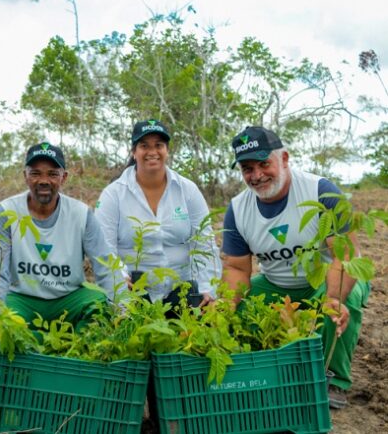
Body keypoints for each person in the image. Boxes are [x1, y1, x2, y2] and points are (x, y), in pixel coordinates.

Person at [221, 126, 369, 409]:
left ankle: (334, 378)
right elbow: (237, 269)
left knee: (336, 305)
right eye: (247, 168)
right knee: (240, 310)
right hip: (278, 284)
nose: (257, 175)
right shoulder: (238, 209)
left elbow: (346, 255)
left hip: (328, 279)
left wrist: (333, 297)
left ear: (284, 159)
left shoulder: (319, 191)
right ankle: (259, 370)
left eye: (264, 164)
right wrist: (225, 307)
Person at [0, 142, 116, 327]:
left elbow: (106, 267)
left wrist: (123, 312)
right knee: (3, 317)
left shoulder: (81, 214)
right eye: (35, 173)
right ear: (25, 176)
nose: (44, 180)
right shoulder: (7, 211)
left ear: (64, 177)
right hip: (23, 299)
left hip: (68, 298)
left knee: (99, 305)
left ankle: (77, 352)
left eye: (52, 174)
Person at [95, 120, 220, 306]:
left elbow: (205, 243)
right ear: (134, 152)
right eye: (144, 146)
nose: (152, 152)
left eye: (159, 145)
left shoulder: (188, 190)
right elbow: (103, 248)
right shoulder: (113, 195)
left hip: (184, 291)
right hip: (132, 293)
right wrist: (119, 280)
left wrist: (207, 291)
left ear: (167, 150)